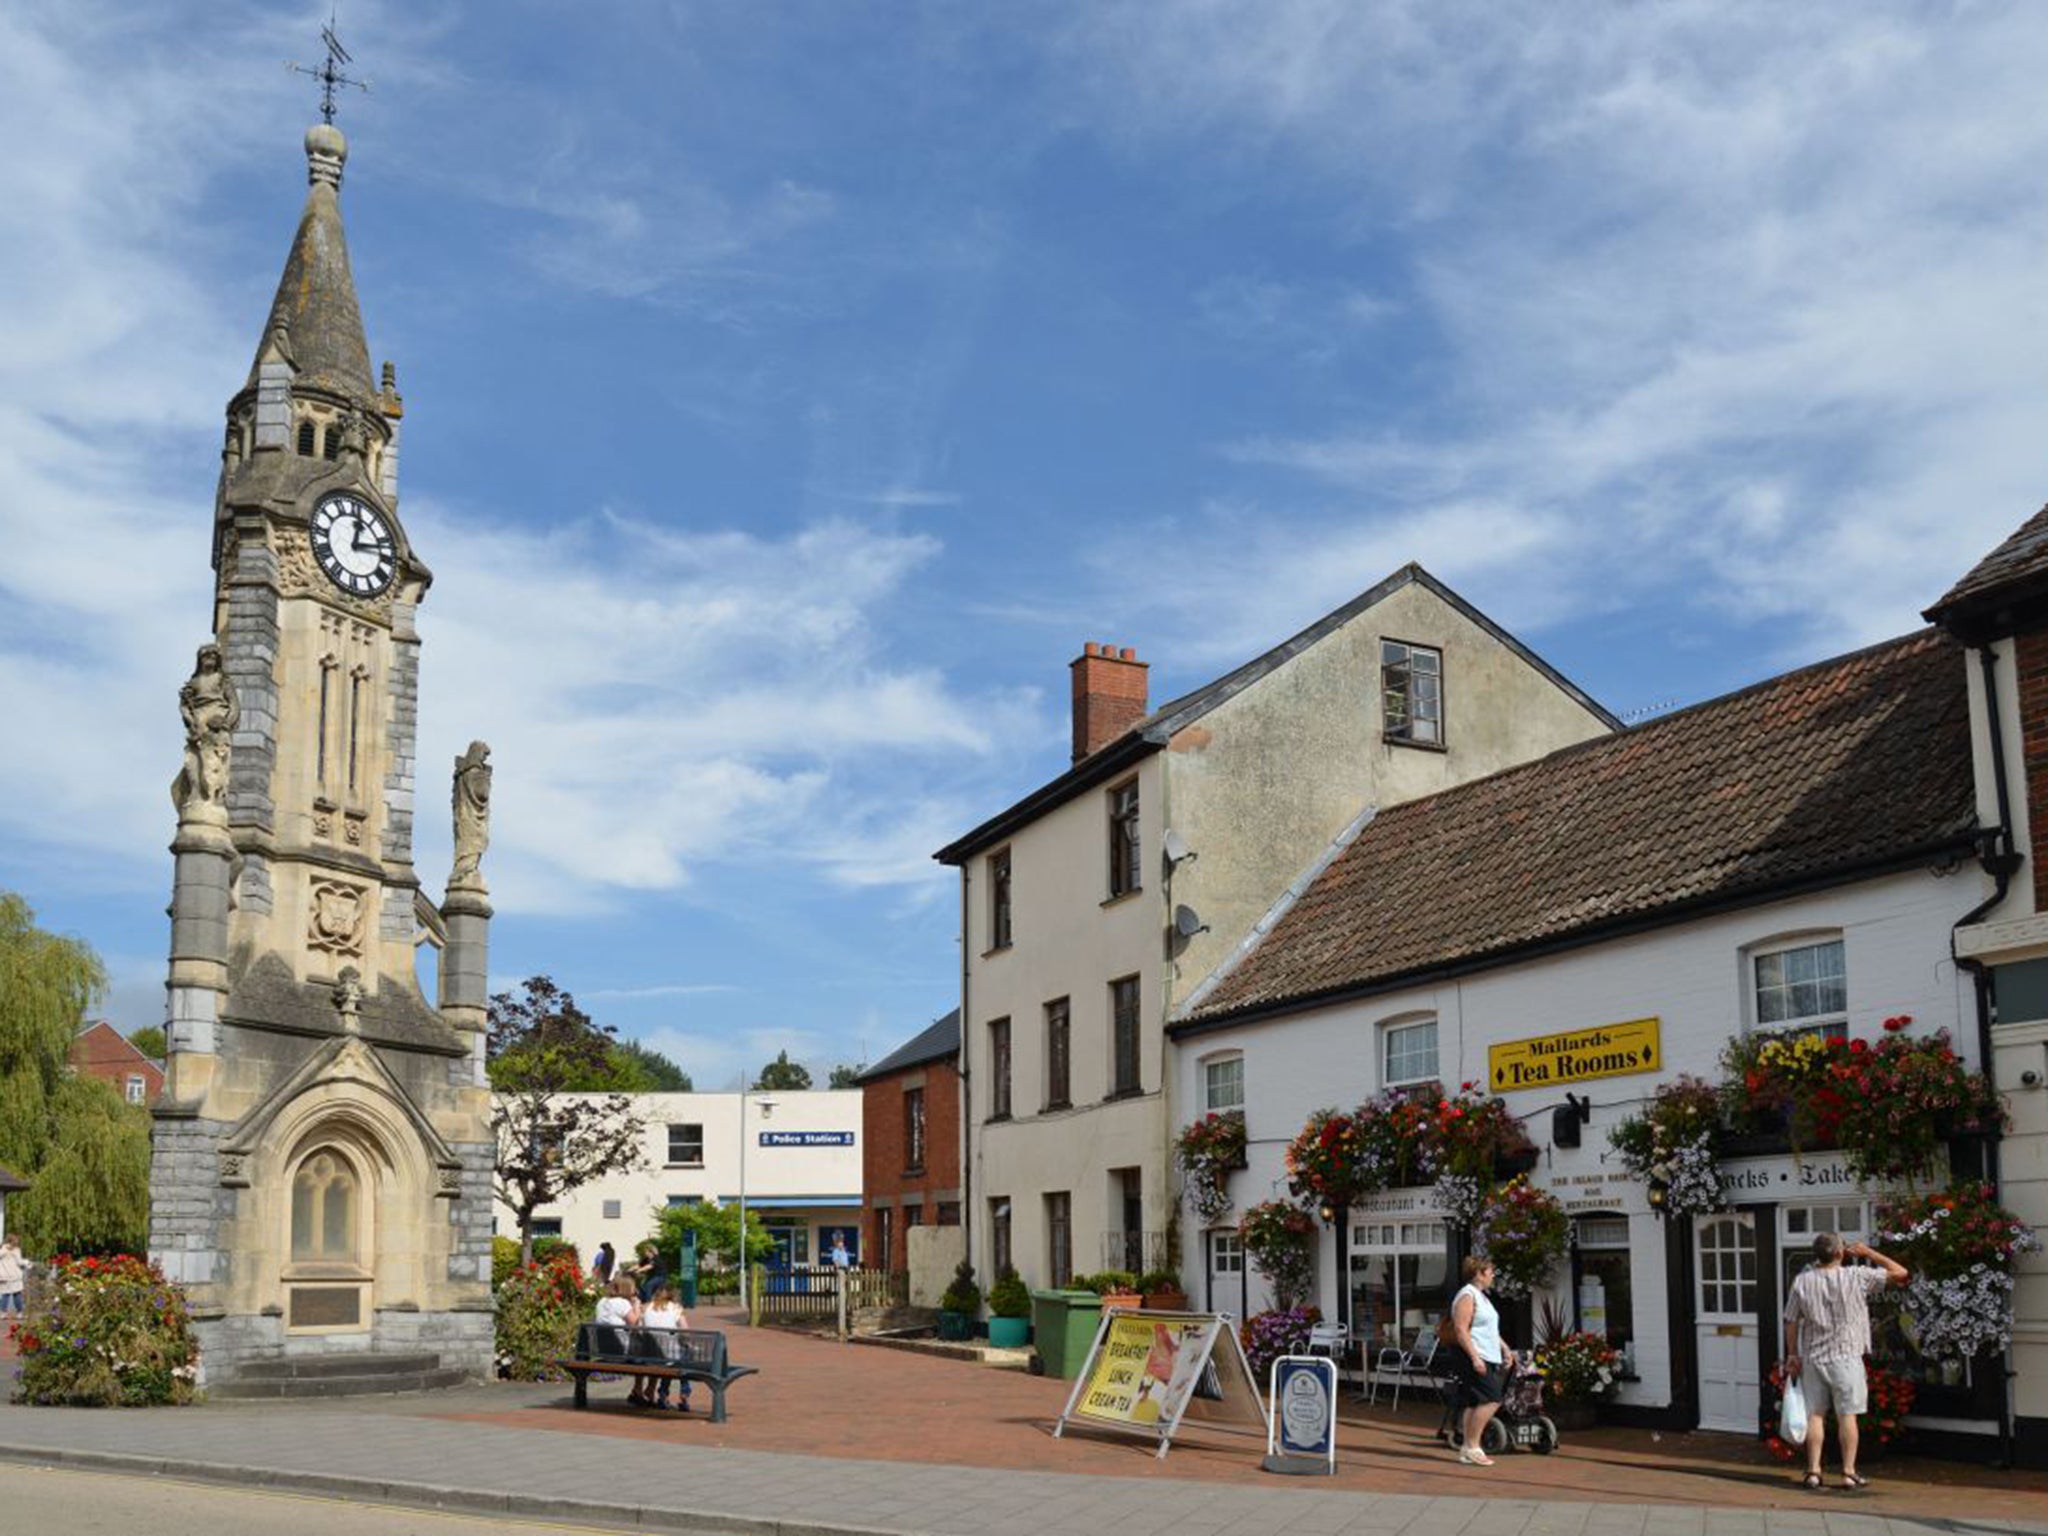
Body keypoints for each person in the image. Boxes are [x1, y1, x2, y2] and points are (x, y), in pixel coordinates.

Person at [1783, 1232, 1910, 1491]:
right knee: (1847, 1416)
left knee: (1815, 1416)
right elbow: (1901, 1272)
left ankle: (1814, 1472)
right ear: (1840, 1253)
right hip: (1847, 1357)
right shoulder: (1857, 1276)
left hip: (1814, 1357)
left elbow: (1791, 1320)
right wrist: (1868, 1253)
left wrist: (1793, 1355)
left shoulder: (1802, 1281)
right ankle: (1848, 1473)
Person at [1450, 1254, 1517, 1466]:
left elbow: (1488, 1330)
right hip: (1474, 1355)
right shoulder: (1467, 1295)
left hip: (1487, 1354)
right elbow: (1461, 1330)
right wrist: (1475, 1358)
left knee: (1475, 1402)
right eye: (1490, 1272)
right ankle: (1473, 1446)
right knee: (1493, 1398)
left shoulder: (1482, 1297)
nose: (1493, 1276)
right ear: (1479, 1274)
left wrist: (1505, 1349)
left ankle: (1466, 1448)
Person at [593, 1275, 649, 1406]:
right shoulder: (622, 1303)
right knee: (650, 1354)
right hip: (621, 1352)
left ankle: (638, 1391)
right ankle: (640, 1391)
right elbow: (634, 1323)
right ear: (628, 1288)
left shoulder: (602, 1302)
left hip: (604, 1350)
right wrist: (636, 1305)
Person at [641, 1284, 693, 1412]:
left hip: (649, 1356)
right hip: (669, 1356)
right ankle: (684, 1393)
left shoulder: (646, 1307)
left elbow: (641, 1331)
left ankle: (663, 1395)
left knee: (670, 1359)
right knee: (681, 1358)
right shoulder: (676, 1308)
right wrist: (687, 1344)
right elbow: (686, 1333)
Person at [0, 1235, 25, 1316]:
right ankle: (19, 1312)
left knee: (5, 1294)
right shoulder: (16, 1250)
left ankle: (3, 1313)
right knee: (17, 1294)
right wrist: (27, 1263)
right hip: (15, 1275)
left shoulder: (2, 1250)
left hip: (4, 1276)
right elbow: (19, 1262)